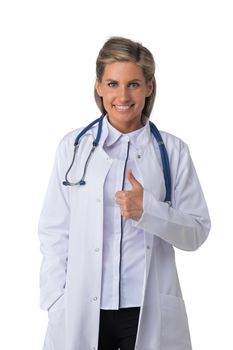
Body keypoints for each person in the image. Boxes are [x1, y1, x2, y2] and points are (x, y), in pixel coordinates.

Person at [38, 36, 211, 350]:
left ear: (149, 87)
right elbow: (54, 232)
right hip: (83, 307)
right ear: (98, 87)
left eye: (133, 84)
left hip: (145, 307)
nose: (122, 95)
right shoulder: (73, 149)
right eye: (113, 83)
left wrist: (149, 210)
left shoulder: (173, 152)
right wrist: (55, 298)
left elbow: (196, 232)